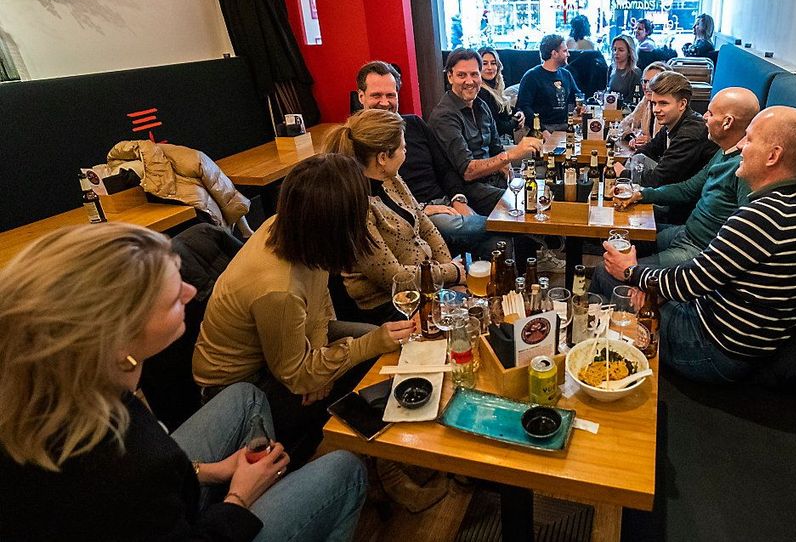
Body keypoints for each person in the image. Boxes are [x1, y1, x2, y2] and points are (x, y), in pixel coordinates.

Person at [0, 223, 367, 541]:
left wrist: (209, 471)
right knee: (345, 470)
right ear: (120, 335)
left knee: (245, 397)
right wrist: (239, 496)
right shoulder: (125, 466)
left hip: (150, 500)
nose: (192, 294)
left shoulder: (59, 386)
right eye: (175, 297)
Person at [194, 155, 415, 463]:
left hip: (283, 356)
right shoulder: (277, 287)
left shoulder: (295, 231)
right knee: (374, 354)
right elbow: (295, 375)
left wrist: (320, 359)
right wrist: (315, 371)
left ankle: (382, 458)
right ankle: (374, 463)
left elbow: (319, 299)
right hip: (241, 389)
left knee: (384, 349)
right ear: (335, 223)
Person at [603, 107, 796, 383]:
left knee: (611, 282)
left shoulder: (760, 217)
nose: (741, 146)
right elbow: (703, 278)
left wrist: (632, 273)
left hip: (713, 348)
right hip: (733, 334)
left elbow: (690, 282)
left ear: (773, 156)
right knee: (640, 291)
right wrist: (657, 288)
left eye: (750, 139)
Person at [591, 87, 760, 296]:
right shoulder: (723, 153)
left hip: (697, 250)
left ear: (728, 122)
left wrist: (638, 274)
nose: (704, 117)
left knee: (603, 271)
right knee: (615, 238)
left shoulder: (744, 170)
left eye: (711, 113)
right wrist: (641, 194)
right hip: (685, 232)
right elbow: (688, 188)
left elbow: (738, 245)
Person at [324, 110, 465, 312]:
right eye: (403, 148)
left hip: (426, 285)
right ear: (382, 158)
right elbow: (394, 277)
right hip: (390, 305)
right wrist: (451, 273)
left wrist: (450, 275)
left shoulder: (390, 178)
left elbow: (425, 224)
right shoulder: (357, 209)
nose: (406, 152)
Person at [355, 60, 498, 258]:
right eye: (376, 95)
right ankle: (514, 225)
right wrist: (423, 209)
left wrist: (458, 199)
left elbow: (445, 168)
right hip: (415, 214)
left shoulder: (414, 123)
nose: (385, 102)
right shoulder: (356, 140)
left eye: (390, 95)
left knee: (498, 243)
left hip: (445, 202)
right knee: (494, 226)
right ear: (361, 96)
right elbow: (375, 199)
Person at [430, 48, 542, 215]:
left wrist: (511, 177)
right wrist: (510, 155)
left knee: (542, 193)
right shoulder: (444, 116)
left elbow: (496, 148)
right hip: (469, 190)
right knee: (528, 203)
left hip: (494, 181)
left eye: (474, 74)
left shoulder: (481, 105)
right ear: (450, 76)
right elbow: (468, 171)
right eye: (462, 75)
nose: (470, 81)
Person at [617, 70, 716, 188]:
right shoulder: (672, 123)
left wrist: (624, 174)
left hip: (687, 200)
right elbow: (649, 150)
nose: (656, 110)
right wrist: (631, 164)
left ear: (682, 104)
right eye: (654, 103)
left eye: (663, 103)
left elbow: (660, 179)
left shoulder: (690, 132)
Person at [515, 34, 582, 131]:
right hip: (542, 128)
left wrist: (581, 106)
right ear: (554, 53)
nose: (568, 54)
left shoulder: (566, 74)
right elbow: (524, 107)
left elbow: (578, 95)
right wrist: (542, 130)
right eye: (565, 51)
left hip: (566, 125)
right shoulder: (532, 76)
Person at [618, 61, 670, 148]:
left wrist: (650, 141)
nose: (647, 86)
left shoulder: (671, 106)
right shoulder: (646, 101)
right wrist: (633, 138)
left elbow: (669, 143)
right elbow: (623, 124)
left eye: (652, 82)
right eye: (645, 81)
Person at [478, 47, 521, 141]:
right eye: (484, 63)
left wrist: (519, 112)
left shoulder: (496, 88)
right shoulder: (481, 92)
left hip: (505, 139)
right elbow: (498, 126)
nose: (489, 67)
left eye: (493, 63)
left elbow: (505, 111)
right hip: (496, 142)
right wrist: (517, 121)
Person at [607, 34, 642, 106]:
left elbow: (634, 100)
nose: (616, 53)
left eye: (621, 50)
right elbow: (607, 92)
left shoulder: (635, 73)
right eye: (614, 49)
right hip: (610, 110)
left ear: (629, 52)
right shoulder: (611, 68)